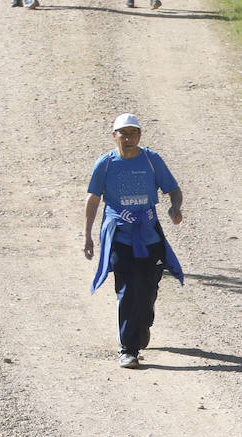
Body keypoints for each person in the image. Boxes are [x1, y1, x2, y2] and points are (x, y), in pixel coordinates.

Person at [83, 113, 184, 369]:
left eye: (133, 133)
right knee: (128, 288)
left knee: (148, 288)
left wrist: (175, 207)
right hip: (119, 233)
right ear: (114, 135)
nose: (129, 139)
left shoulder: (151, 160)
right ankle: (128, 349)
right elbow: (93, 200)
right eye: (123, 134)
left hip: (149, 232)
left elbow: (173, 189)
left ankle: (142, 325)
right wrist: (88, 235)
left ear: (140, 135)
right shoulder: (105, 164)